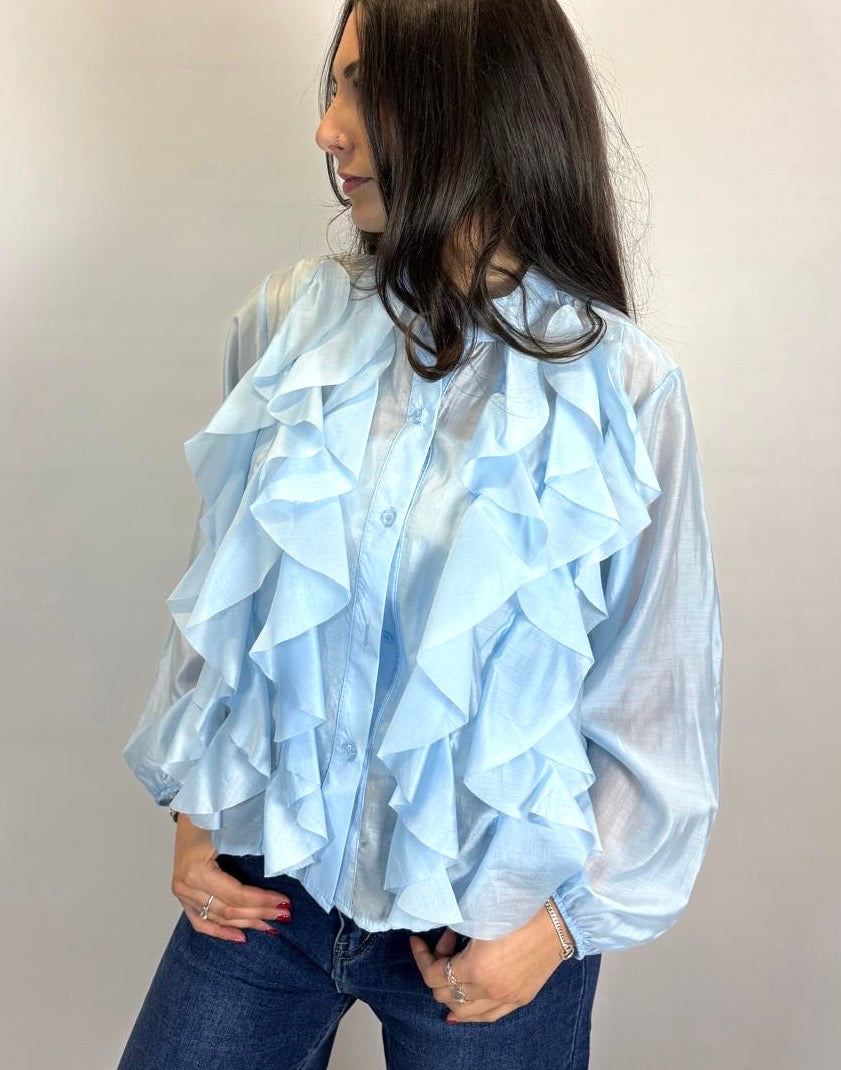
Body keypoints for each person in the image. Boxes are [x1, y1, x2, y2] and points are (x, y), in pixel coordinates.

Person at [117, 1, 723, 1068]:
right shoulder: (283, 325)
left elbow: (651, 699)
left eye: (365, 88)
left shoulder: (625, 393)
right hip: (269, 886)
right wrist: (197, 802)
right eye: (333, 86)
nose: (326, 131)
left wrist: (557, 930)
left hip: (481, 927)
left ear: (475, 108)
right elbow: (228, 589)